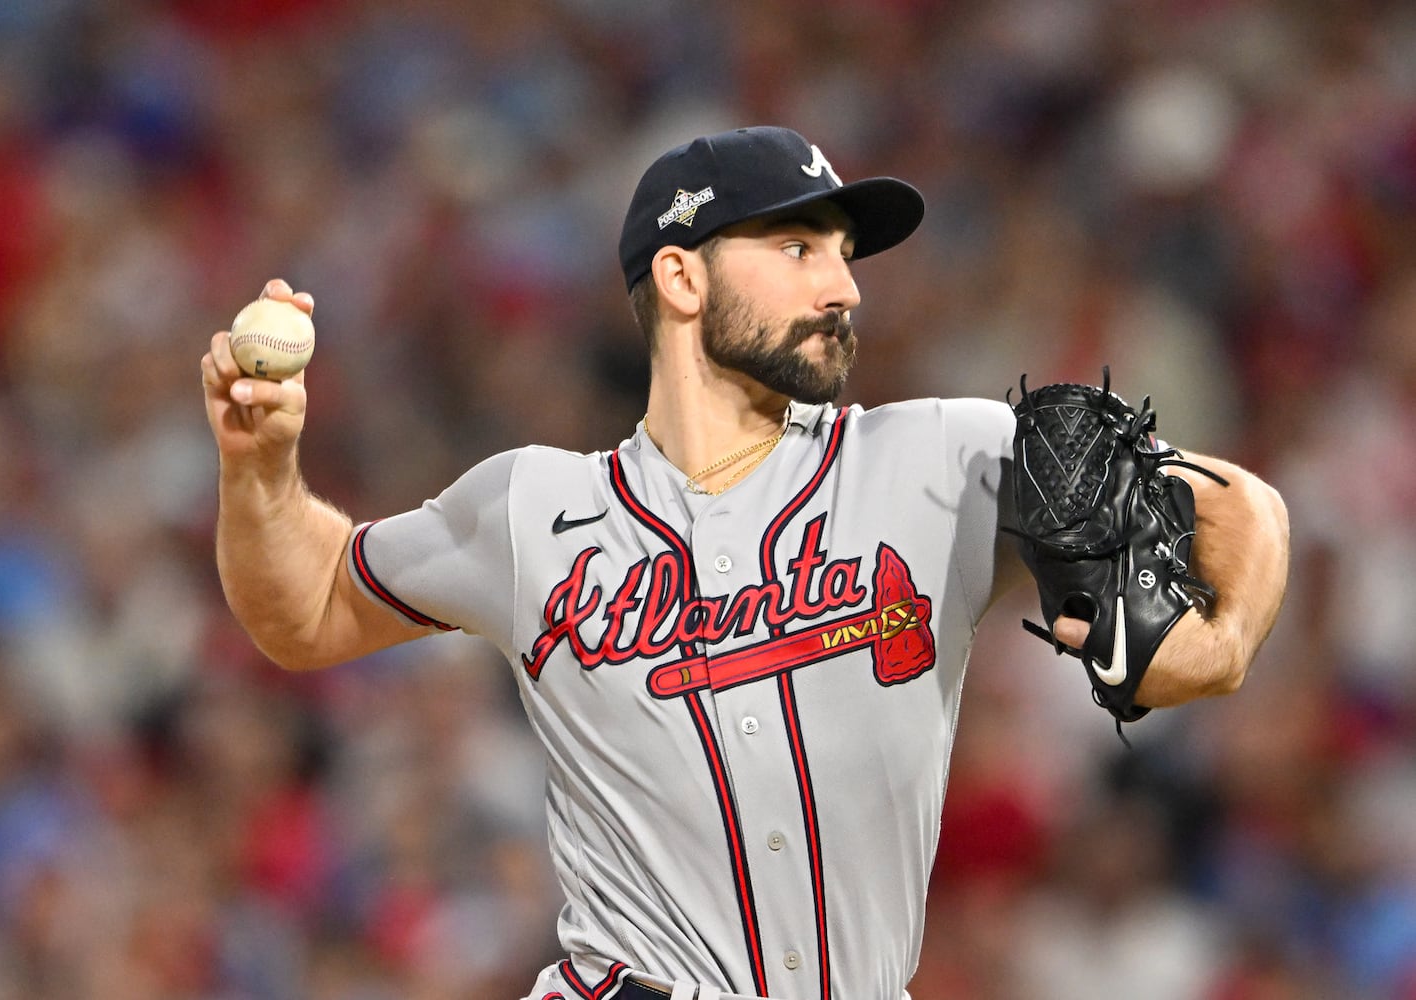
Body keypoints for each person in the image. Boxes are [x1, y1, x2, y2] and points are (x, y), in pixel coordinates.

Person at [200, 126, 1289, 1000]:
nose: (844, 288)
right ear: (680, 276)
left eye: (845, 256)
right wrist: (260, 471)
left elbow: (1247, 507)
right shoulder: (533, 505)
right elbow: (309, 610)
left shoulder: (941, 459)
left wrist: (1225, 637)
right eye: (798, 248)